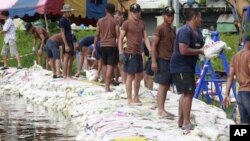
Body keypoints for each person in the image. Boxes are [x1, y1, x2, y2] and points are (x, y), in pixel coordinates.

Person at [170, 9, 204, 134]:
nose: (201, 20)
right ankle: (186, 122)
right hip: (180, 66)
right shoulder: (185, 31)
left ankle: (181, 120)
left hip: (189, 67)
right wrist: (199, 51)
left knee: (186, 93)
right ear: (194, 17)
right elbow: (183, 50)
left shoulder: (198, 32)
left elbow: (202, 47)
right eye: (200, 17)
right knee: (188, 93)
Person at [118, 3, 151, 106]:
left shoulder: (142, 24)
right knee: (130, 76)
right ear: (131, 13)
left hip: (138, 52)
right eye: (134, 12)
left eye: (138, 12)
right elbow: (120, 38)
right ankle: (129, 99)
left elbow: (145, 38)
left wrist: (150, 50)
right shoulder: (126, 23)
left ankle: (136, 97)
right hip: (130, 52)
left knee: (139, 76)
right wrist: (120, 52)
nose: (137, 14)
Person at [151, 6, 176, 119]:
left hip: (170, 61)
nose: (170, 17)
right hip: (162, 60)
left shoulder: (172, 30)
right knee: (162, 86)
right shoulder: (159, 29)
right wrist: (154, 61)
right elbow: (154, 46)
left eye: (171, 15)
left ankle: (163, 108)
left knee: (166, 86)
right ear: (163, 16)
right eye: (168, 15)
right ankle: (160, 109)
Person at [223, 35, 250, 125]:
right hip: (249, 92)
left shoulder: (235, 57)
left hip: (241, 94)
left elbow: (230, 76)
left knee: (244, 123)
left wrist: (226, 94)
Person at [93, 3, 119, 92]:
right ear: (114, 11)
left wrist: (94, 47)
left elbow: (96, 35)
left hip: (102, 45)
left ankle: (105, 84)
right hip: (111, 45)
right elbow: (118, 35)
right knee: (110, 66)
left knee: (104, 65)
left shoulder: (100, 21)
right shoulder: (115, 21)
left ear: (106, 10)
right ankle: (107, 87)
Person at [59, 4, 74, 79]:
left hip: (70, 39)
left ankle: (69, 74)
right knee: (66, 57)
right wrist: (66, 44)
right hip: (66, 41)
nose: (70, 13)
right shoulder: (62, 20)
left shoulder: (68, 20)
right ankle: (64, 74)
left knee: (71, 57)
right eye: (69, 12)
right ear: (65, 12)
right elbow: (62, 32)